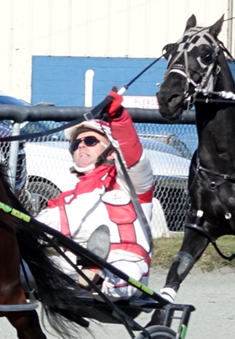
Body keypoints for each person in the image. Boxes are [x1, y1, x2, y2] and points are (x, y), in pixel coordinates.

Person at [36, 89, 154, 300]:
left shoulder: (128, 182)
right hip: (74, 266)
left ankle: (96, 278)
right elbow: (35, 232)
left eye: (90, 141)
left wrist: (119, 118)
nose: (80, 145)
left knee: (122, 282)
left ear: (110, 151)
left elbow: (133, 157)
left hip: (124, 261)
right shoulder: (64, 201)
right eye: (75, 143)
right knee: (20, 268)